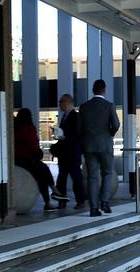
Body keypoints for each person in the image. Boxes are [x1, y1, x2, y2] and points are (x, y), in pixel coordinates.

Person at [78, 79, 120, 217]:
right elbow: (116, 124)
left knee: (92, 177)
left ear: (93, 90)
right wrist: (110, 134)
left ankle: (93, 208)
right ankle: (104, 202)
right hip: (105, 145)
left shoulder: (84, 107)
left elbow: (79, 128)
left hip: (89, 146)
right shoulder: (109, 106)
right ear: (104, 90)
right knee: (107, 173)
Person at [13, 108, 65, 212]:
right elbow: (33, 145)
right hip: (26, 159)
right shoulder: (28, 128)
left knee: (41, 172)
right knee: (43, 170)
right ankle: (52, 193)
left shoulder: (15, 127)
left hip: (16, 159)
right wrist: (39, 154)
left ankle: (51, 196)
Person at [52, 94, 85, 210]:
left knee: (76, 177)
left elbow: (78, 135)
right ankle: (62, 201)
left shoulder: (75, 116)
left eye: (61, 102)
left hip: (73, 152)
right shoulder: (64, 117)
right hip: (64, 152)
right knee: (62, 177)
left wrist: (65, 137)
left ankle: (80, 200)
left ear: (68, 103)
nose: (60, 104)